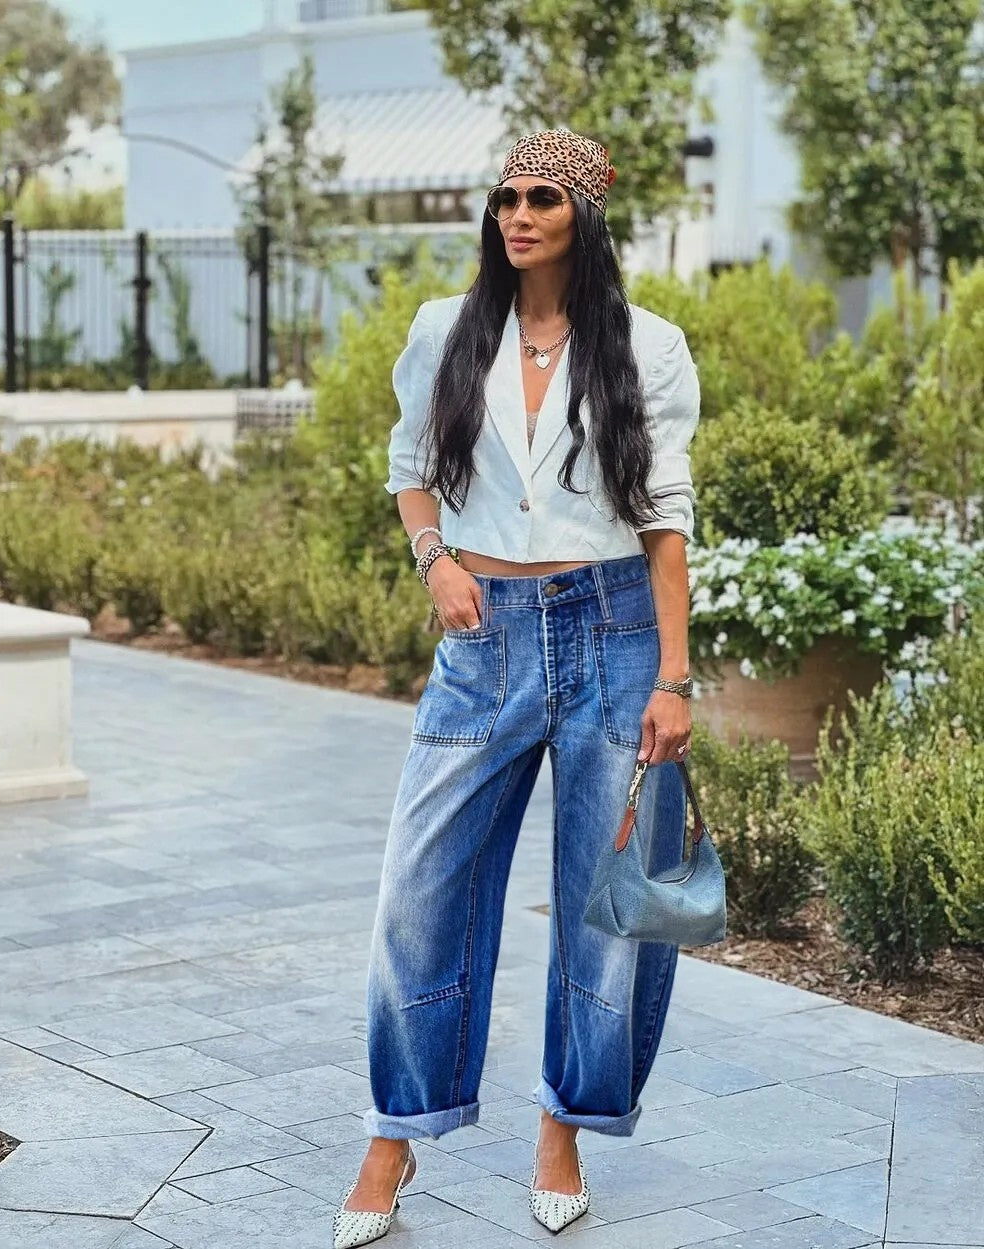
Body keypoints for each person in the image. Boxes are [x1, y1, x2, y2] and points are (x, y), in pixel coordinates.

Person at [332, 128, 700, 1248]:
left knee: (613, 911)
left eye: (543, 197)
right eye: (505, 198)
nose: (518, 215)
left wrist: (675, 679)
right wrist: (434, 560)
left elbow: (666, 516)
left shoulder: (648, 345)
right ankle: (394, 1137)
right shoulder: (445, 331)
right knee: (419, 893)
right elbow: (409, 469)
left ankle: (564, 1131)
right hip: (483, 643)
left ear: (584, 213)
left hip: (614, 633)